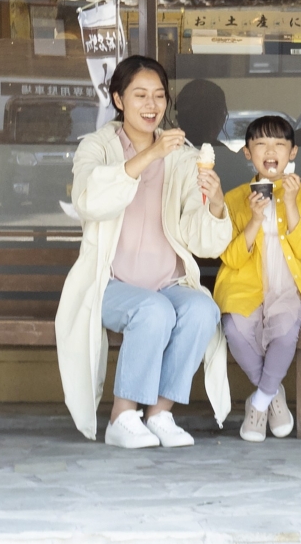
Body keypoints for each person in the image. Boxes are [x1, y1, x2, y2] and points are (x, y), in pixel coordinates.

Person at [53, 56, 234, 450]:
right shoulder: (96, 148)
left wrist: (216, 203)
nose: (151, 105)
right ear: (118, 99)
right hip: (110, 283)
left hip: (166, 281)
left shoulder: (182, 155)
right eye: (140, 95)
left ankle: (160, 413)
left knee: (203, 310)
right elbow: (88, 200)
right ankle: (122, 416)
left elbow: (197, 236)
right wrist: (149, 156)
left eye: (158, 96)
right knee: (153, 311)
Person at [213, 115, 301, 441]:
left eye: (279, 143)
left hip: (289, 288)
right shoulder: (236, 199)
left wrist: (289, 203)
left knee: (286, 328)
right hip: (246, 287)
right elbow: (231, 258)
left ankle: (259, 402)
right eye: (260, 143)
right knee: (233, 328)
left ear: (292, 152)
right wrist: (254, 219)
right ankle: (273, 393)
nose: (270, 150)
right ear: (247, 152)